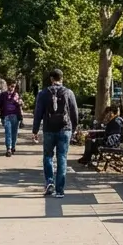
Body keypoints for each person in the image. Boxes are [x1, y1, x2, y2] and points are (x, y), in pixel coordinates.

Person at [32, 69, 79, 198]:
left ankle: (49, 182)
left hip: (48, 129)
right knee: (62, 158)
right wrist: (74, 129)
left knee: (48, 156)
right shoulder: (68, 92)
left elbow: (38, 113)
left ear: (51, 79)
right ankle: (60, 190)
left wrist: (35, 130)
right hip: (65, 129)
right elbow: (74, 113)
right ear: (62, 78)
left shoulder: (43, 93)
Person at [0, 83, 24, 157]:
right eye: (10, 86)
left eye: (13, 86)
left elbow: (21, 107)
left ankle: (13, 147)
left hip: (16, 116)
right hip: (6, 116)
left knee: (14, 133)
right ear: (7, 86)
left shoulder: (17, 95)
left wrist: (21, 118)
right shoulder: (3, 95)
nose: (12, 88)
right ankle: (8, 148)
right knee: (8, 132)